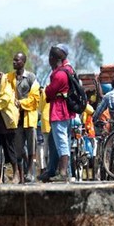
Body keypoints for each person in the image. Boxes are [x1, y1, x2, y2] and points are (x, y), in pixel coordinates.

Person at [43, 44, 75, 182]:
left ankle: (63, 172)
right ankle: (57, 171)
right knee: (60, 141)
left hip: (59, 111)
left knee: (62, 142)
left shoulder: (59, 74)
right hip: (65, 111)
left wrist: (48, 90)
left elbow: (49, 91)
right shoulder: (67, 71)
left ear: (53, 58)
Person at [7, 52, 40, 183]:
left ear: (23, 62)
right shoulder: (10, 77)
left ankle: (30, 171)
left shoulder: (31, 77)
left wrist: (20, 103)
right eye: (13, 60)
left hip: (29, 117)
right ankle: (23, 172)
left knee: (31, 146)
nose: (14, 62)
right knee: (19, 149)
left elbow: (35, 98)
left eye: (17, 60)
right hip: (16, 118)